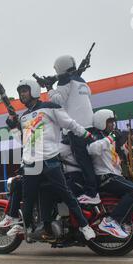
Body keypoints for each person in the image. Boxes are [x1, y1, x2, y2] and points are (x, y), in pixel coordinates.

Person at [2, 79, 96, 241]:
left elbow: (70, 123)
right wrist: (13, 128)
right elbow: (24, 141)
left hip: (51, 160)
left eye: (25, 90)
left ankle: (84, 225)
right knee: (28, 199)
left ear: (34, 90)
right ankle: (28, 228)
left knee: (66, 194)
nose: (22, 94)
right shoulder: (24, 118)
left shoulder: (49, 107)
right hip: (32, 163)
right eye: (20, 92)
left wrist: (86, 135)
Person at [47, 55, 100, 205]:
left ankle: (92, 193)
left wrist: (49, 88)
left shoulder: (66, 80)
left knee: (83, 161)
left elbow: (58, 101)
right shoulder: (81, 81)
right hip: (89, 125)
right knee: (84, 160)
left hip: (76, 127)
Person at [88, 109, 133, 238]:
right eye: (110, 122)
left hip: (115, 176)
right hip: (105, 177)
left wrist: (129, 142)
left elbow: (118, 156)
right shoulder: (95, 136)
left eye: (113, 122)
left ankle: (123, 221)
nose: (112, 125)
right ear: (101, 122)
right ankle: (111, 221)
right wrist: (111, 138)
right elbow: (93, 149)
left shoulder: (109, 139)